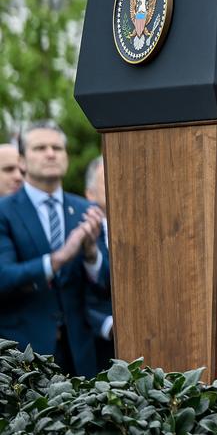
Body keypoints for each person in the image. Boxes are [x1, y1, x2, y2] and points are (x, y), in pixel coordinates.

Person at [0, 121, 109, 377]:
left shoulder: (85, 210)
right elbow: (4, 277)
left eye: (57, 148)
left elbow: (106, 286)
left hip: (81, 354)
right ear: (23, 162)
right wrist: (58, 259)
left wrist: (92, 255)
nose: (51, 153)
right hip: (24, 355)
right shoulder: (5, 211)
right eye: (40, 148)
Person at [84, 156, 115, 372]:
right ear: (90, 194)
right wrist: (108, 324)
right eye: (107, 177)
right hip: (97, 345)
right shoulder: (80, 231)